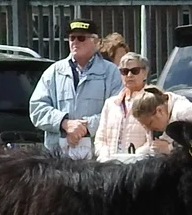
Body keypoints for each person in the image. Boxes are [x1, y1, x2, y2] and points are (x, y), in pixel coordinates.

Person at [28, 18, 123, 157]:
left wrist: (85, 127)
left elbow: (118, 112)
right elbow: (37, 108)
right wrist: (64, 123)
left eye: (81, 38)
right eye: (72, 38)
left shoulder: (111, 72)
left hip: (97, 160)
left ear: (96, 42)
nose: (75, 42)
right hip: (58, 159)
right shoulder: (54, 72)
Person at [93, 51, 156, 160]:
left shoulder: (153, 101)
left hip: (140, 166)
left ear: (145, 73)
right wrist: (104, 156)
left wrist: (136, 156)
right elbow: (100, 139)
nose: (129, 75)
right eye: (124, 71)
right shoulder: (110, 104)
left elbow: (154, 141)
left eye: (135, 71)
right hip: (111, 166)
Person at [129, 85, 192, 156]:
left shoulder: (185, 112)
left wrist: (169, 148)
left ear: (159, 111)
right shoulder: (160, 120)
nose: (149, 129)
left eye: (150, 123)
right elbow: (152, 147)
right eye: (144, 126)